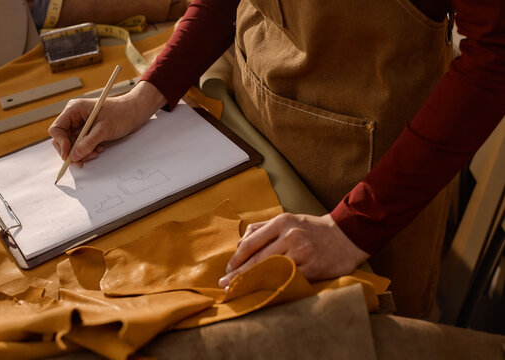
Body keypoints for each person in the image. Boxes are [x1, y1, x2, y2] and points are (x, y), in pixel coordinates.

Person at [49, 0, 504, 317]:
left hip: (370, 167)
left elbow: (495, 56)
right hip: (250, 125)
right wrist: (144, 95)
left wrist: (353, 228)